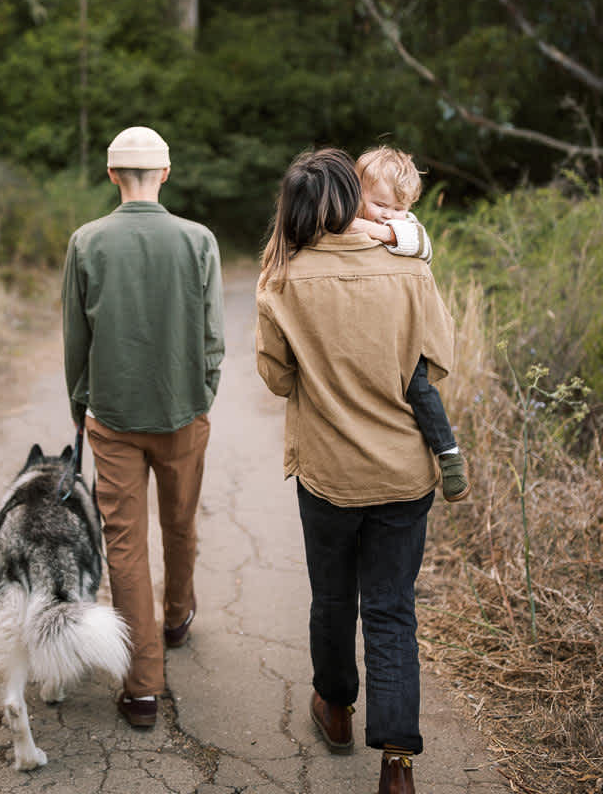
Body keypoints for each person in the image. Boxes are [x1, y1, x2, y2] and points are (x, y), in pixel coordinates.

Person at [255, 147, 455, 794]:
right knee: (393, 610)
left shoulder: (282, 279)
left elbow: (277, 378)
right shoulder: (409, 270)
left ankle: (336, 711)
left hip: (329, 475)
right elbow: (437, 358)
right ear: (350, 196)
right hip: (403, 473)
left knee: (335, 598)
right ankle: (396, 765)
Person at [62, 126, 225, 730]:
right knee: (180, 522)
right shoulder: (198, 240)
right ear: (166, 173)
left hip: (114, 418)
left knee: (125, 546)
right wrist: (202, 393)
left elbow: (76, 340)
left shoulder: (87, 242)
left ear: (111, 176)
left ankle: (142, 685)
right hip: (184, 412)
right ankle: (178, 615)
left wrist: (82, 406)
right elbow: (213, 337)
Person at [351, 145, 469, 502]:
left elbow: (422, 246)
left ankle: (447, 454)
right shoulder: (344, 221)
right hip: (365, 331)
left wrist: (376, 230)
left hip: (405, 334)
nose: (389, 216)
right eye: (380, 205)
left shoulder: (408, 230)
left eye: (399, 208)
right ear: (358, 194)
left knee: (418, 386)